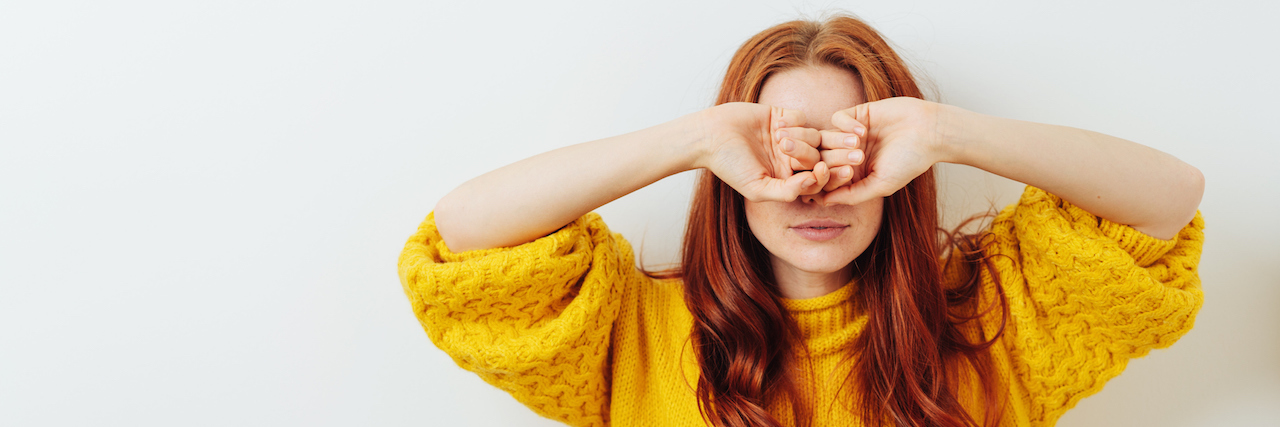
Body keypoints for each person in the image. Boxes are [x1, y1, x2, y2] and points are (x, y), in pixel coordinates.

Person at [397, 14, 1204, 427]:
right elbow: (466, 233)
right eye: (783, 154)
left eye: (849, 153)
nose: (815, 189)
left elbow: (1170, 198)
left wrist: (947, 132)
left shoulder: (994, 317)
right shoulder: (630, 328)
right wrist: (693, 139)